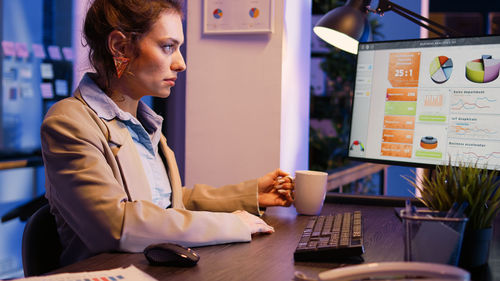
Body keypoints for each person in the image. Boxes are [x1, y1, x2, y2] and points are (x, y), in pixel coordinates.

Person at [40, 0, 294, 266]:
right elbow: (118, 226)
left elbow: (168, 204)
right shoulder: (69, 122)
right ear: (120, 47)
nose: (181, 64)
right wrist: (232, 223)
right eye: (168, 47)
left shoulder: (144, 124)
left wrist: (250, 194)